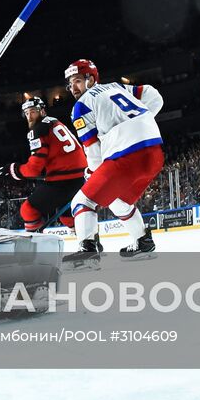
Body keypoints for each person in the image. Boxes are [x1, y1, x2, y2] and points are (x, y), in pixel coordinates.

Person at [62, 60, 165, 265]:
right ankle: (143, 242)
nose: (73, 88)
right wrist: (138, 123)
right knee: (119, 202)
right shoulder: (118, 87)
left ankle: (87, 254)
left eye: (78, 81)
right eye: (70, 83)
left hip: (125, 156)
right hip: (154, 154)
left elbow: (92, 151)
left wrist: (93, 174)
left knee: (82, 202)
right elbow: (154, 96)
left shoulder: (80, 107)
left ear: (91, 80)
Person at [10, 95, 87, 231]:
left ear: (42, 111)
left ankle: (37, 246)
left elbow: (33, 169)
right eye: (27, 113)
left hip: (63, 180)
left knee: (28, 210)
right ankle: (89, 245)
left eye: (33, 111)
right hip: (80, 178)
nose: (29, 116)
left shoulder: (38, 129)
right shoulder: (55, 122)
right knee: (68, 216)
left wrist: (15, 170)